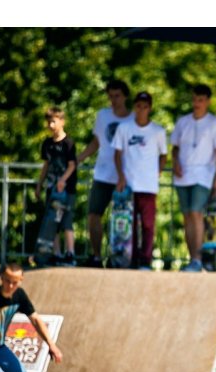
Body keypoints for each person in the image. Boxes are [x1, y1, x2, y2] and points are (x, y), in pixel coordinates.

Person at [170, 84, 216, 272]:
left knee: (196, 213)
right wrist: (175, 163)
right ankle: (192, 259)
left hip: (203, 175)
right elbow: (175, 147)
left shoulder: (215, 123)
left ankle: (198, 259)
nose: (197, 103)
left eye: (201, 100)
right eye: (195, 99)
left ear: (208, 101)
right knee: (187, 216)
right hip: (182, 176)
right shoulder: (183, 121)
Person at [77, 80, 134, 268]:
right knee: (94, 214)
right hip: (103, 174)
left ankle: (122, 257)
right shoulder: (103, 116)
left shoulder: (133, 118)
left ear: (125, 96)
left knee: (123, 219)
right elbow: (96, 142)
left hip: (125, 177)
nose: (113, 100)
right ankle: (95, 255)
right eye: (110, 96)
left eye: (117, 96)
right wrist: (79, 159)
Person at [111, 91, 167, 270]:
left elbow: (164, 154)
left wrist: (158, 171)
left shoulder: (158, 131)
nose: (141, 110)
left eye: (145, 106)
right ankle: (130, 258)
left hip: (149, 186)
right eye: (138, 106)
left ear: (149, 108)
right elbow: (117, 153)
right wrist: (120, 176)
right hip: (128, 185)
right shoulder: (124, 128)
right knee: (129, 225)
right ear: (134, 107)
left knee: (148, 224)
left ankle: (145, 260)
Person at [35, 107, 78, 266]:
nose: (51, 125)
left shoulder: (68, 143)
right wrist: (40, 184)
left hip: (66, 190)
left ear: (61, 122)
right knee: (53, 220)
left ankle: (70, 253)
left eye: (53, 121)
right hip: (52, 189)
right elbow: (46, 165)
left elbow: (72, 165)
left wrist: (63, 180)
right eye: (48, 122)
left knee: (66, 221)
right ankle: (57, 253)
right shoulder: (47, 144)